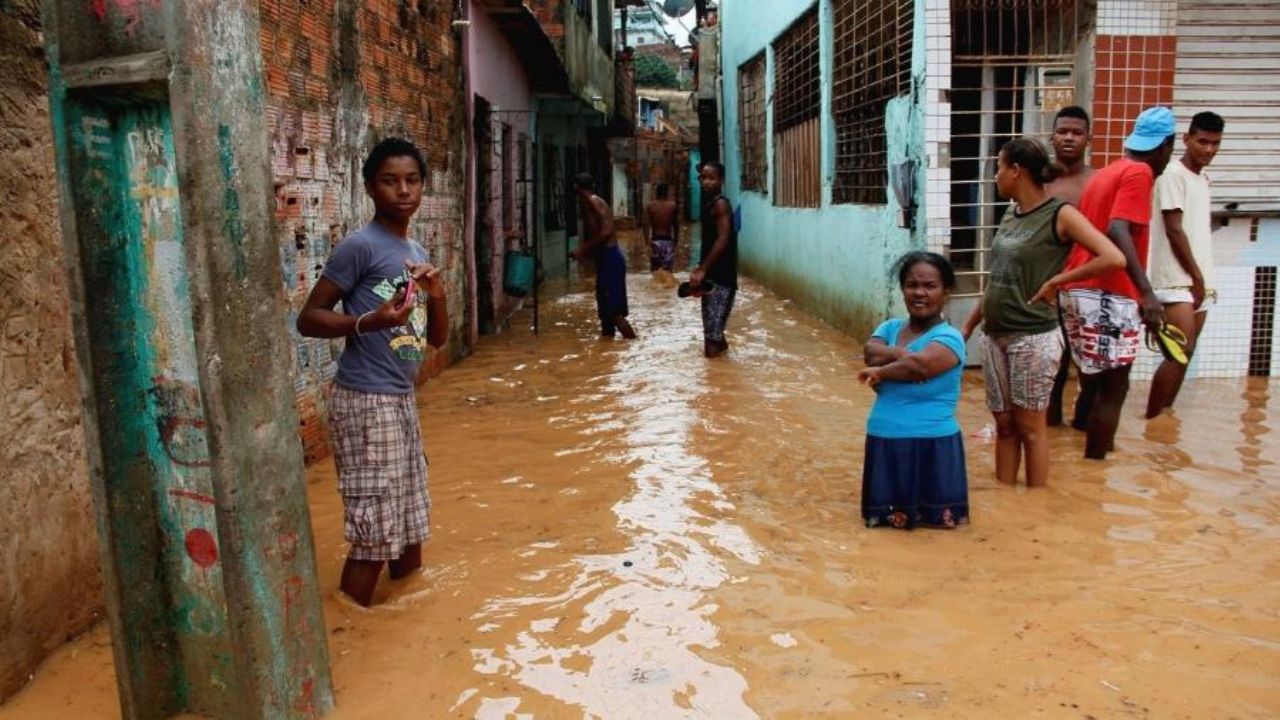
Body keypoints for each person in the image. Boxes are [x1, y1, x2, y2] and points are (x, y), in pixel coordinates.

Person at [296, 138, 449, 607]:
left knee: (408, 527)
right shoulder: (359, 247)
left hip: (399, 399)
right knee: (374, 534)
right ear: (369, 188)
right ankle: (350, 626)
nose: (403, 190)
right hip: (365, 402)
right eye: (390, 181)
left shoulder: (413, 249)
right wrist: (370, 321)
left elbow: (437, 341)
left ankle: (405, 630)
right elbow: (308, 318)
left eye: (412, 180)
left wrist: (437, 293)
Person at [961, 138, 1125, 487]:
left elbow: (1113, 256)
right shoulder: (1010, 213)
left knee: (1031, 429)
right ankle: (1008, 503)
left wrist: (1059, 281)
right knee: (1004, 425)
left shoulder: (1060, 214)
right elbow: (998, 276)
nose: (996, 177)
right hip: (995, 335)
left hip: (1033, 336)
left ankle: (1037, 510)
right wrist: (969, 326)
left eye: (999, 168)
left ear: (1016, 171)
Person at [1059, 106, 1175, 459]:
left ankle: (1084, 453)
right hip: (1108, 292)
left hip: (1077, 289)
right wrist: (1146, 293)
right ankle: (1096, 471)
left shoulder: (1108, 172)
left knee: (1093, 380)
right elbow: (1118, 228)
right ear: (1166, 146)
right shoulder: (1139, 173)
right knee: (1115, 386)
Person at [858, 252, 968, 528]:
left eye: (930, 286)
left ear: (946, 292)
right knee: (882, 538)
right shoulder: (891, 327)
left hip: (932, 446)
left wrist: (882, 372)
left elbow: (919, 367)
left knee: (937, 538)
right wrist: (899, 354)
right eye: (911, 285)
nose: (919, 293)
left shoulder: (950, 337)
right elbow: (870, 352)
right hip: (884, 442)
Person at [1145, 111, 1225, 418]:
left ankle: (1164, 420)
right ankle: (1152, 419)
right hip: (1175, 280)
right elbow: (1173, 230)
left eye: (1215, 143)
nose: (1208, 149)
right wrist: (1196, 277)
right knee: (1178, 352)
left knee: (1185, 354)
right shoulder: (1172, 176)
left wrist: (1202, 279)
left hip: (1198, 279)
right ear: (1186, 139)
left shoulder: (1203, 178)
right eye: (1202, 141)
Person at [1044, 105, 1098, 427]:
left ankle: (1082, 428)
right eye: (1062, 131)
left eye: (1076, 133)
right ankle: (1050, 431)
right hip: (1049, 288)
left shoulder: (1098, 182)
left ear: (1088, 139)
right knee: (1053, 364)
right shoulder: (1040, 183)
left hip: (1089, 287)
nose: (1068, 138)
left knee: (1092, 368)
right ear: (1052, 137)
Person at [571, 173, 637, 339]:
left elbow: (607, 231)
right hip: (605, 259)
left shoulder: (594, 201)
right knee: (606, 314)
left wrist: (583, 249)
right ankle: (606, 358)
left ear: (576, 187)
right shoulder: (590, 203)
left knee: (614, 313)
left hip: (610, 260)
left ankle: (633, 343)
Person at [692, 161, 738, 358]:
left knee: (711, 337)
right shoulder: (713, 204)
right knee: (714, 333)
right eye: (703, 178)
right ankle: (723, 373)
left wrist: (702, 269)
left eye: (711, 178)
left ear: (721, 180)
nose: (706, 182)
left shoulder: (720, 204)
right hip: (713, 277)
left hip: (721, 278)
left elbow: (723, 238)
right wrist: (702, 270)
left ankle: (715, 384)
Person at [644, 183, 680, 273]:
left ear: (656, 193)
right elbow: (676, 225)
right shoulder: (672, 206)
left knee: (655, 270)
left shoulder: (650, 206)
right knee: (668, 270)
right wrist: (676, 240)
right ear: (667, 193)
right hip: (668, 241)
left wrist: (647, 242)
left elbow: (645, 225)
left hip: (655, 241)